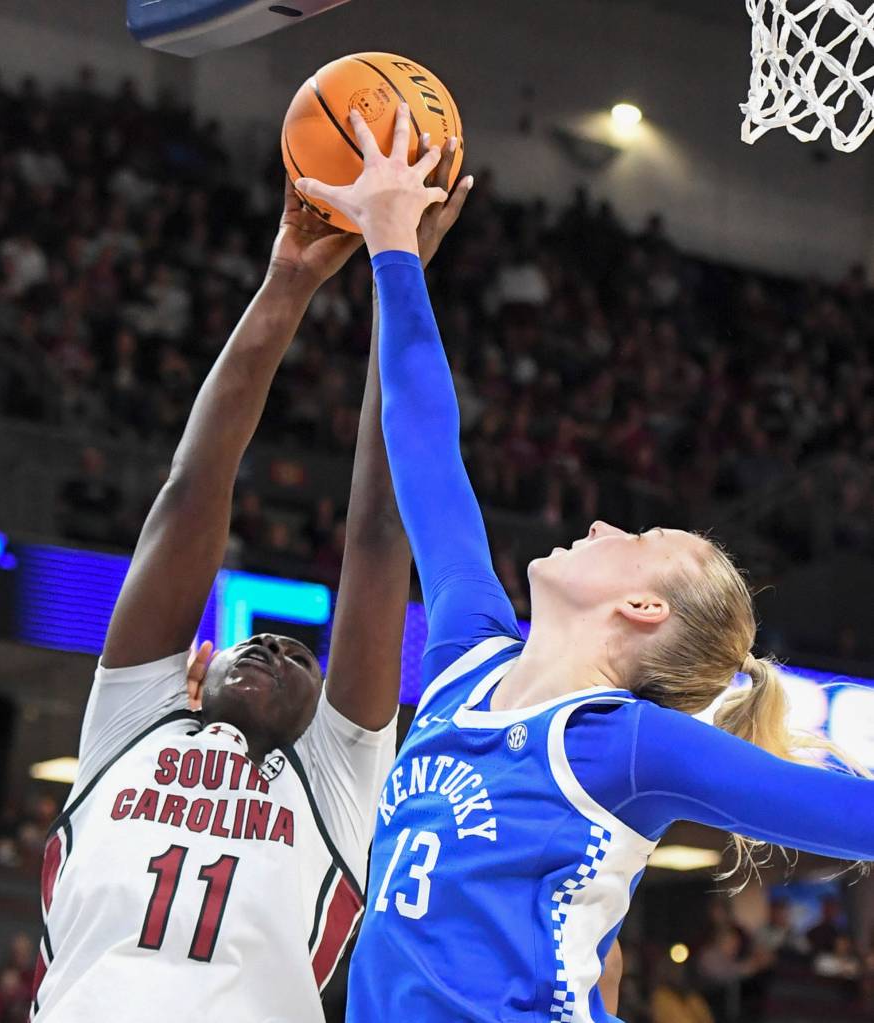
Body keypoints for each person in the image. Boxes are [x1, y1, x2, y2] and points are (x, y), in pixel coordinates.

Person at [295, 105, 874, 1023]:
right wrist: (393, 249)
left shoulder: (619, 746)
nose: (602, 522)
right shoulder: (465, 661)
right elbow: (425, 448)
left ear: (644, 607)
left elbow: (857, 817)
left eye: (633, 540)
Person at [30, 150, 469, 1022]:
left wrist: (398, 271)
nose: (273, 643)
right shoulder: (133, 724)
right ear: (194, 671)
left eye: (302, 658)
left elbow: (380, 533)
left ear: (331, 726)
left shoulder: (339, 777)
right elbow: (191, 489)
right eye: (261, 641)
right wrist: (287, 281)